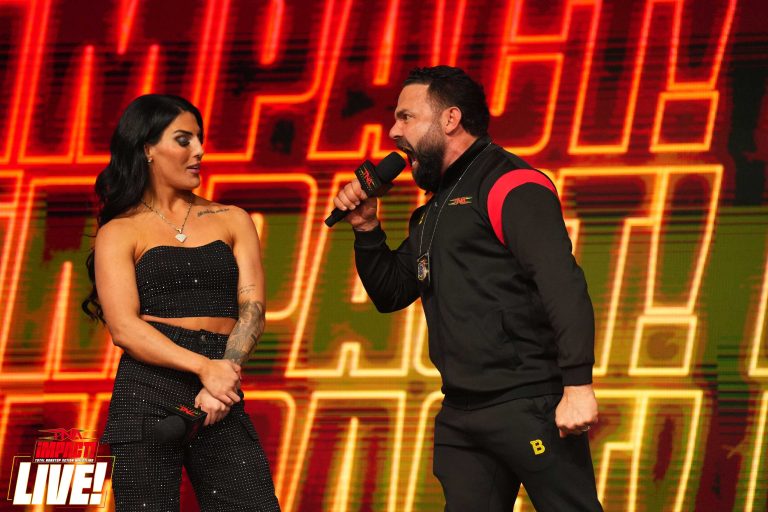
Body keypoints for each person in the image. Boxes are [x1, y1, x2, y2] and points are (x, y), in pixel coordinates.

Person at [333, 66, 603, 511]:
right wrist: (366, 230)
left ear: (450, 119)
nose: (393, 132)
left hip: (528, 403)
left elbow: (561, 281)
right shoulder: (435, 208)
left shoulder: (510, 183)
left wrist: (577, 385)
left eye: (405, 117)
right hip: (461, 413)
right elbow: (391, 292)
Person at [82, 94, 281, 511]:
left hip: (221, 384)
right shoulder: (119, 231)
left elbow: (253, 310)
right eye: (184, 139)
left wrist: (222, 377)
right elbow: (124, 328)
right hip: (147, 391)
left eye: (200, 139)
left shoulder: (232, 218)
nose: (200, 150)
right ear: (148, 148)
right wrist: (204, 368)